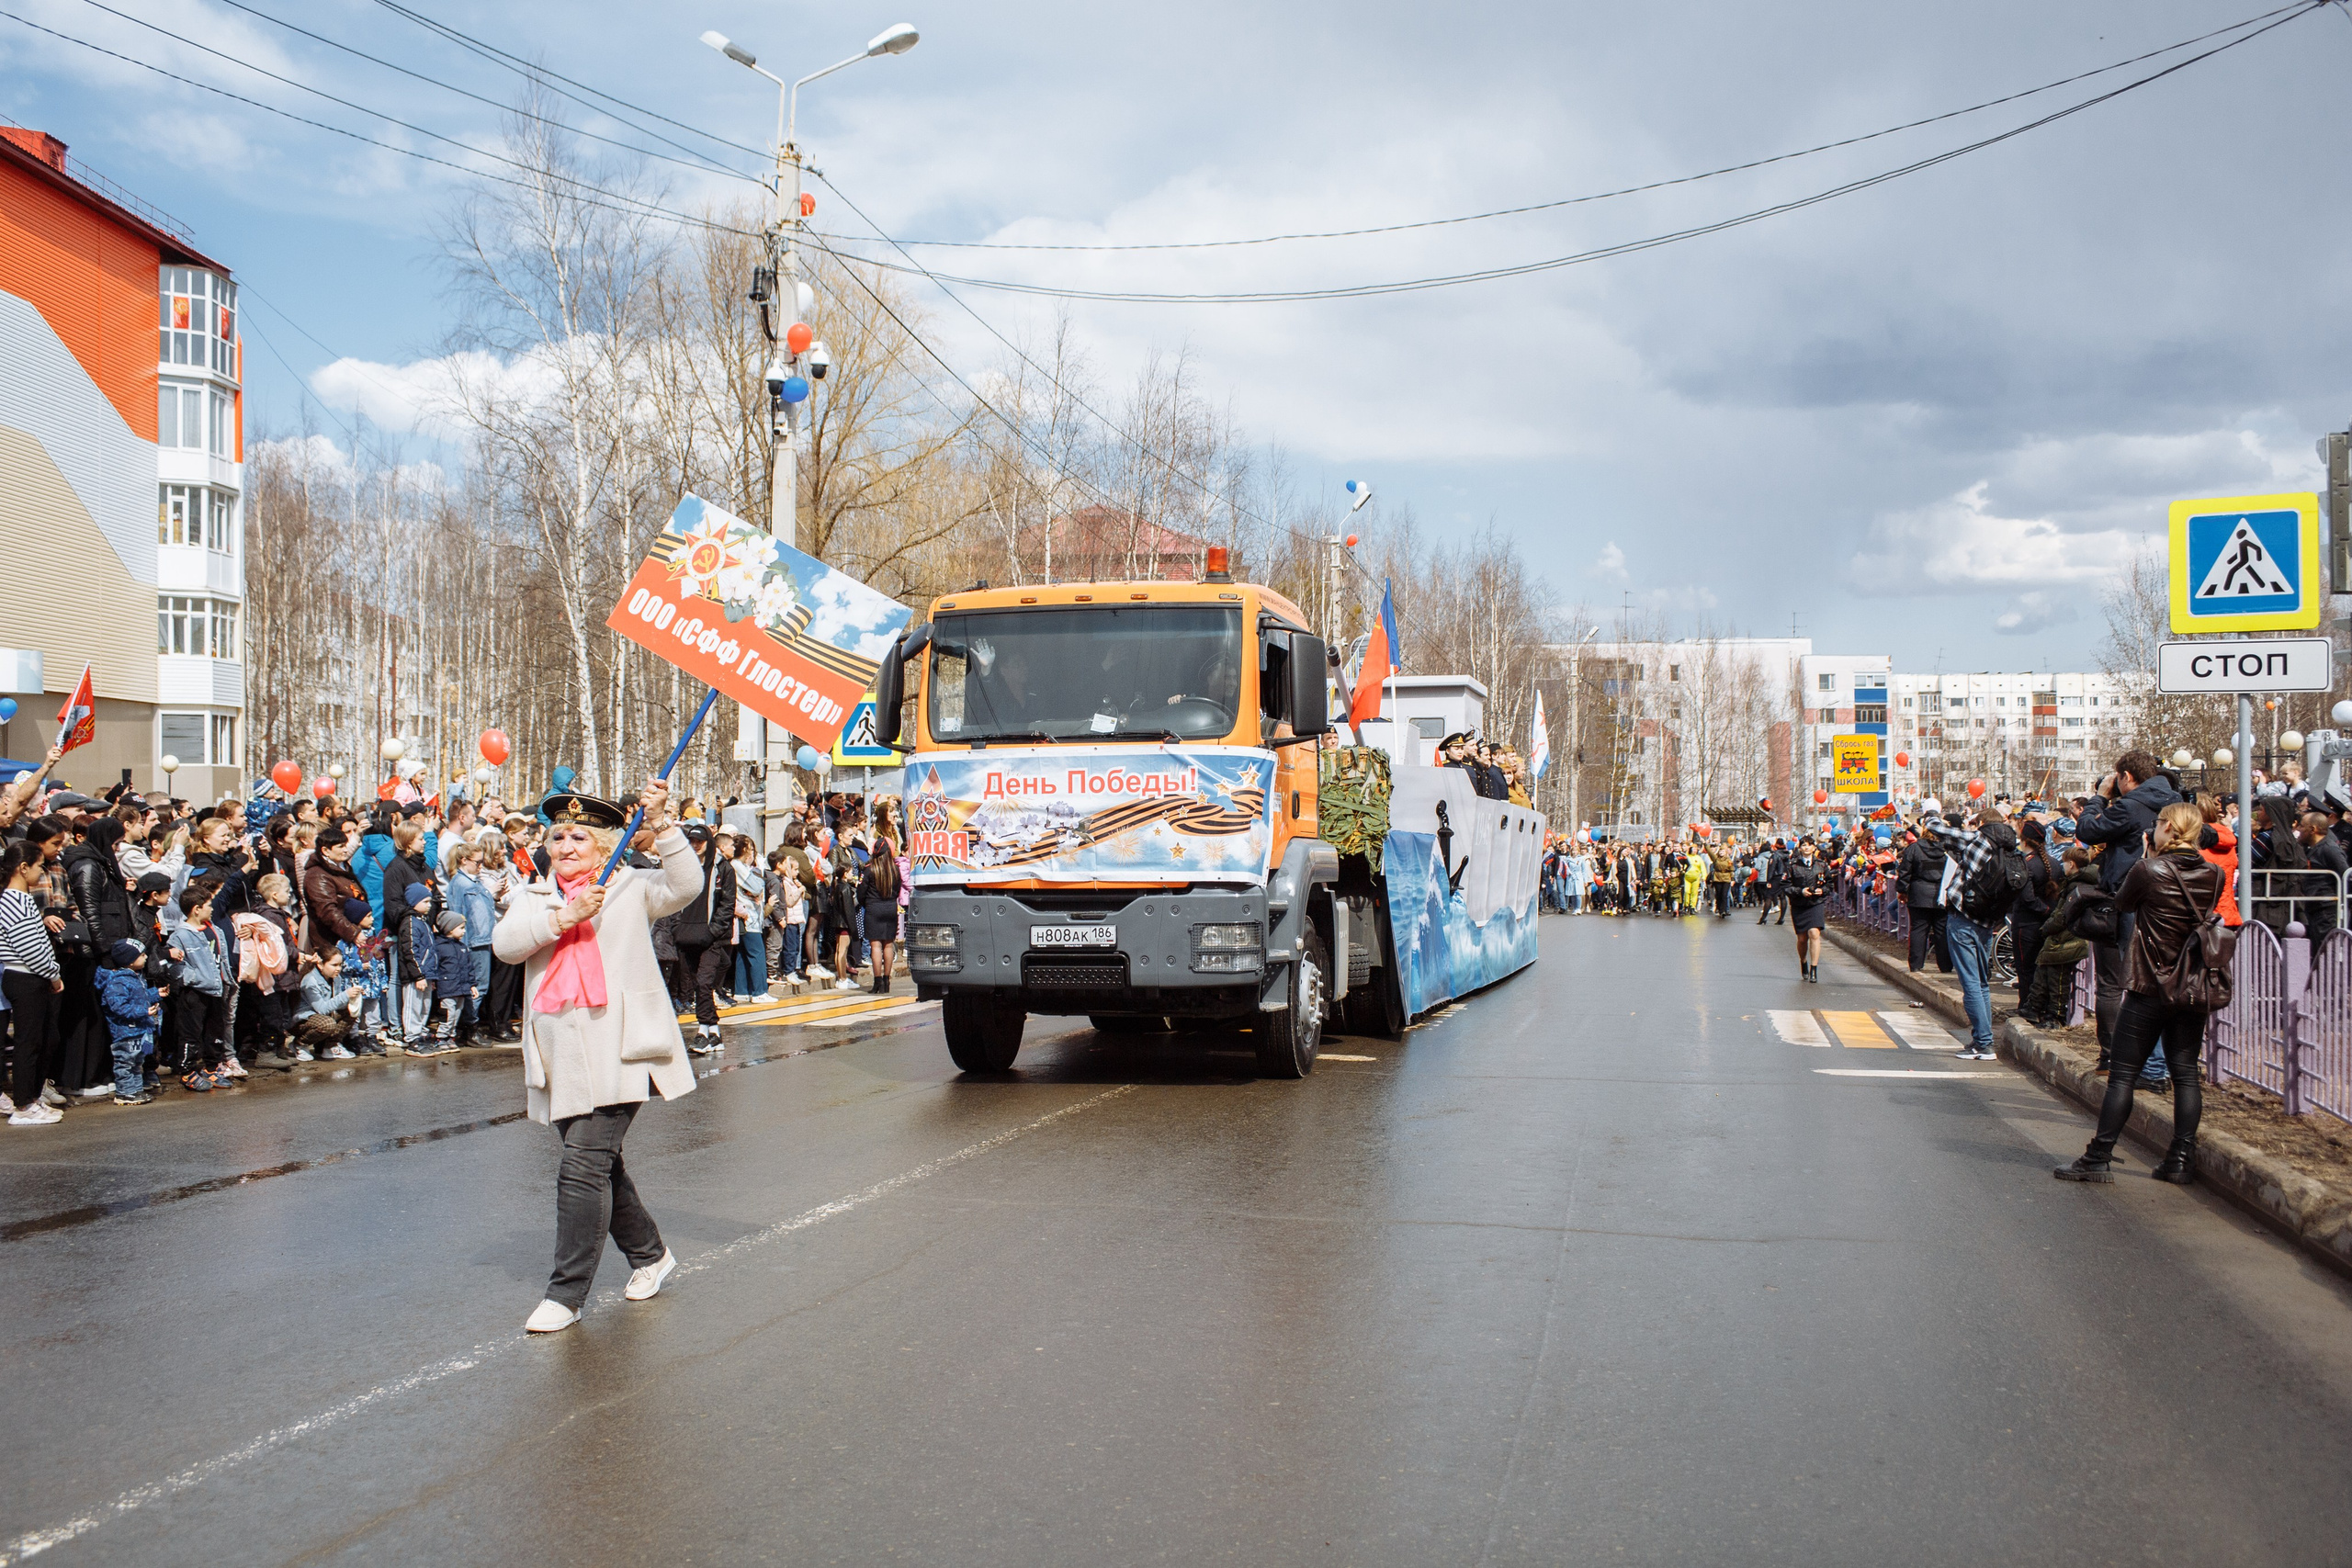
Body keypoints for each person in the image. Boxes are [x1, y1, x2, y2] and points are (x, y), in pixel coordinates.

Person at [492, 780, 697, 1335]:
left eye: (579, 837)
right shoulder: (535, 896)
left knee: (581, 1166)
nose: (565, 846)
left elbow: (686, 884)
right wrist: (565, 915)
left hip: (622, 1050)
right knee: (604, 1164)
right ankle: (651, 1255)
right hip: (561, 1054)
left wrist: (663, 825)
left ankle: (565, 1294)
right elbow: (506, 945)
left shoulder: (630, 886)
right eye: (558, 836)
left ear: (604, 846)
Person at [2055, 802, 2228, 1185]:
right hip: (2191, 984)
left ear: (2167, 828)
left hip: (2151, 983)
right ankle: (2180, 1160)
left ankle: (2099, 1156)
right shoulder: (2214, 874)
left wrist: (2148, 855)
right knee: (2184, 1072)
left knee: (2123, 1075)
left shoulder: (2148, 870)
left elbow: (2124, 905)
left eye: (2160, 825)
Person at [2074, 750, 2181, 1065]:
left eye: (2117, 778)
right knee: (2161, 982)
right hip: (2170, 902)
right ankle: (2158, 1063)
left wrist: (2098, 798)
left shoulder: (2129, 806)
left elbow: (2087, 831)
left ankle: (2116, 1058)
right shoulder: (2176, 803)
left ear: (2126, 777)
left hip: (2128, 899)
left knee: (2116, 982)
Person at [1917, 805, 2025, 1062]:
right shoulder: (2011, 848)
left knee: (1971, 984)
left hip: (1963, 918)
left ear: (1982, 824)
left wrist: (1931, 813)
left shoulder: (1978, 839)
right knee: (1982, 983)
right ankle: (1983, 1040)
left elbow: (1934, 828)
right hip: (1987, 920)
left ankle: (1983, 1043)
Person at [1, 842, 66, 1123]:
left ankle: (33, 1097)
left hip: (34, 975)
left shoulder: (23, 899)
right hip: (24, 975)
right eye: (39, 866)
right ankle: (24, 1106)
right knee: (29, 1042)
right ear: (23, 867)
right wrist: (52, 974)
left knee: (43, 1038)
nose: (42, 871)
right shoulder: (12, 900)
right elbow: (30, 947)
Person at [667, 823, 735, 1053]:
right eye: (692, 841)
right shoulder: (683, 866)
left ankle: (702, 1032)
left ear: (709, 841)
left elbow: (727, 904)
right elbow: (675, 898)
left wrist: (713, 932)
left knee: (705, 982)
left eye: (700, 841)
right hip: (686, 935)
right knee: (697, 984)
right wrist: (677, 927)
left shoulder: (723, 869)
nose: (695, 845)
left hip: (711, 938)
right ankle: (714, 1031)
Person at [163, 874, 232, 1092]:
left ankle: (212, 1068)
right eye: (209, 905)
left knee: (215, 1033)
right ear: (196, 909)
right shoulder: (181, 935)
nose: (212, 909)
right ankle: (187, 1071)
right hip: (195, 993)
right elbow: (173, 966)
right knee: (190, 1034)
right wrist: (194, 979)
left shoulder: (215, 930)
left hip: (217, 990)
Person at [94, 939, 162, 1106]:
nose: (146, 957)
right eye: (142, 955)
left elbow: (141, 997)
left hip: (139, 1030)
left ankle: (135, 1090)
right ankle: (124, 1092)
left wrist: (156, 993)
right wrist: (144, 1012)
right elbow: (118, 1007)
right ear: (130, 961)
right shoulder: (118, 981)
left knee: (137, 1063)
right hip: (126, 1032)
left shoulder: (135, 977)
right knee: (125, 1063)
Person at [1898, 807, 1951, 974]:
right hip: (1942, 893)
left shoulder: (1914, 848)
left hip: (1919, 894)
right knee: (1942, 931)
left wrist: (1903, 890)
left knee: (1919, 929)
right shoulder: (1947, 850)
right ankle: (1945, 965)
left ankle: (1916, 965)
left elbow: (1905, 871)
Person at [292, 947, 362, 1061]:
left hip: (322, 1017)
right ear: (320, 965)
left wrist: (352, 998)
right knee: (327, 1023)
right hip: (302, 1021)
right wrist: (345, 995)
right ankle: (299, 1044)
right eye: (334, 965)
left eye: (340, 965)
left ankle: (331, 1046)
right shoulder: (310, 980)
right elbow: (322, 1009)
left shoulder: (336, 978)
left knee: (351, 1011)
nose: (338, 969)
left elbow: (336, 1004)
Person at [863, 829, 903, 994]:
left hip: (873, 908)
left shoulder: (870, 869)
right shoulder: (895, 870)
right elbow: (899, 889)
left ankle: (877, 981)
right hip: (890, 908)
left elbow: (861, 892)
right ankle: (887, 981)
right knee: (888, 944)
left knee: (875, 946)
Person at [1784, 838, 1830, 981]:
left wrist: (1822, 891)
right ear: (1800, 848)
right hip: (1799, 904)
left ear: (1814, 848)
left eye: (1809, 845)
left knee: (1814, 933)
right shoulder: (1792, 866)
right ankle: (1803, 961)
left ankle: (1814, 969)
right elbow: (1786, 886)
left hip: (1815, 903)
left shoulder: (1822, 865)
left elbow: (1829, 885)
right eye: (1803, 845)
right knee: (1802, 938)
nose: (1806, 848)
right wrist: (1800, 891)